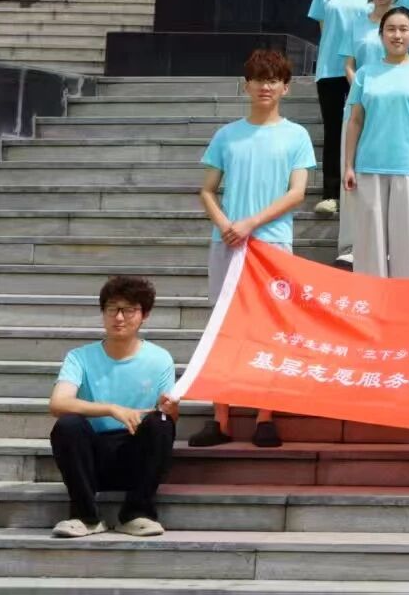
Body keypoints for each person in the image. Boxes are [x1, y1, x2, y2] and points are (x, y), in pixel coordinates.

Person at [190, 49, 312, 449]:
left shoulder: (296, 135)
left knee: (270, 330)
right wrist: (226, 224)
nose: (265, 86)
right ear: (246, 86)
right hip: (227, 242)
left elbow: (297, 192)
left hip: (272, 245)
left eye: (273, 80)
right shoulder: (227, 135)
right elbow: (207, 190)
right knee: (224, 328)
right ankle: (220, 418)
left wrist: (250, 223)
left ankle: (264, 416)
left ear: (285, 88)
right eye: (259, 79)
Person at [46, 276, 179, 539]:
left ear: (144, 315)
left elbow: (170, 416)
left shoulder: (160, 358)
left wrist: (170, 408)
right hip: (91, 457)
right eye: (112, 309)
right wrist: (112, 409)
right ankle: (85, 517)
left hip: (135, 456)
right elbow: (58, 403)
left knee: (162, 423)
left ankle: (137, 513)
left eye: (129, 310)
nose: (119, 317)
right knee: (68, 424)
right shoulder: (80, 357)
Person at [342, 6, 409, 278]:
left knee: (408, 246)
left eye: (403, 29)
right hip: (369, 166)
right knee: (369, 247)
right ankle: (371, 300)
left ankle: (405, 302)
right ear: (381, 34)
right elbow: (355, 121)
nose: (397, 35)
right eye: (390, 29)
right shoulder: (365, 73)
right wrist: (349, 165)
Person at [307, 0, 373, 224]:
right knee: (334, 130)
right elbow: (325, 29)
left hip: (366, 70)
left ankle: (363, 187)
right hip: (331, 70)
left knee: (367, 127)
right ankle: (331, 193)